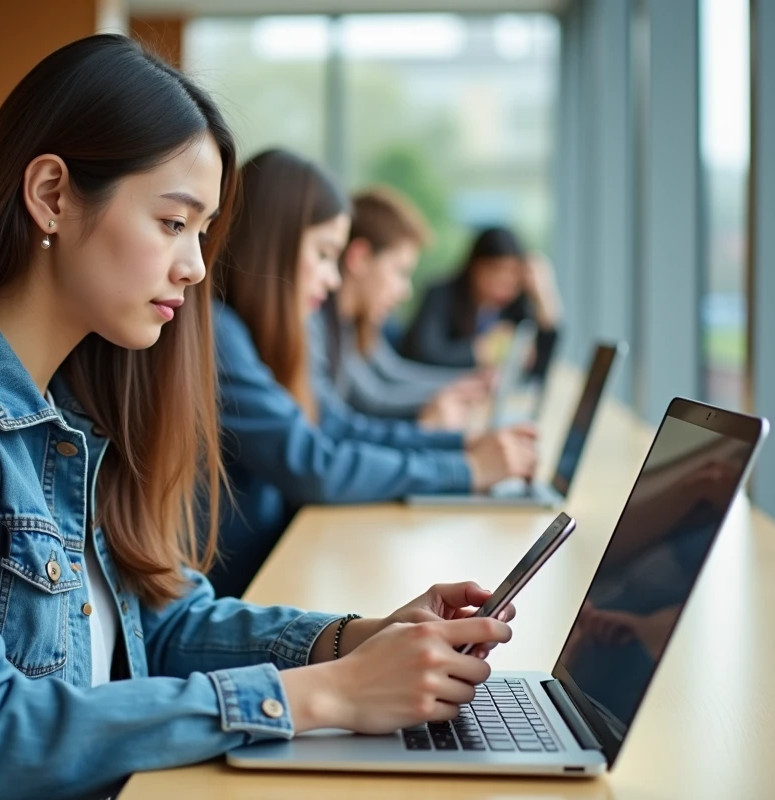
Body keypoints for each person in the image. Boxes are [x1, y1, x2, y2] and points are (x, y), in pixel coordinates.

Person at [0, 36, 515, 800]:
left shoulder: (71, 406)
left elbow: (159, 622)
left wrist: (354, 642)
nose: (195, 265)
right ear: (52, 194)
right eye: (172, 222)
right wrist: (321, 695)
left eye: (202, 232)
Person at [210, 150, 537, 599]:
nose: (331, 279)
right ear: (276, 245)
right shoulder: (220, 334)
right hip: (248, 586)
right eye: (325, 255)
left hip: (267, 574)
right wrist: (464, 467)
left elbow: (337, 425)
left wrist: (460, 444)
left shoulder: (247, 332)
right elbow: (313, 464)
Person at [313, 186, 490, 428]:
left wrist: (462, 384)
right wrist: (438, 406)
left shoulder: (355, 323)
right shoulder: (320, 323)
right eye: (400, 271)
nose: (405, 291)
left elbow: (392, 372)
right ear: (361, 258)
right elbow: (374, 398)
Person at [400, 226, 562, 377]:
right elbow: (421, 352)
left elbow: (541, 368)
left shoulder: (514, 306)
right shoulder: (442, 294)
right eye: (496, 271)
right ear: (474, 267)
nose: (504, 284)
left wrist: (544, 296)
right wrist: (481, 351)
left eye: (513, 276)